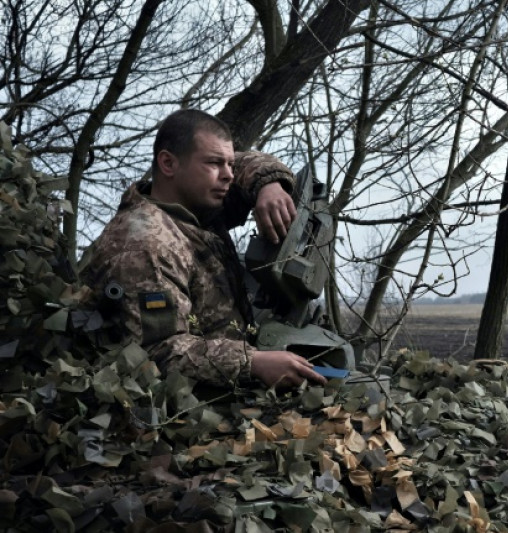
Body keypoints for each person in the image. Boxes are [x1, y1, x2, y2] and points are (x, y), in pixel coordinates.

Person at [81, 109, 326, 388]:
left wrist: (269, 184)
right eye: (214, 163)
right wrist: (252, 362)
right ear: (168, 164)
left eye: (230, 165)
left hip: (223, 379)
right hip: (178, 410)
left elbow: (247, 161)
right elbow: (155, 353)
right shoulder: (144, 245)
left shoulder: (195, 208)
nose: (229, 176)